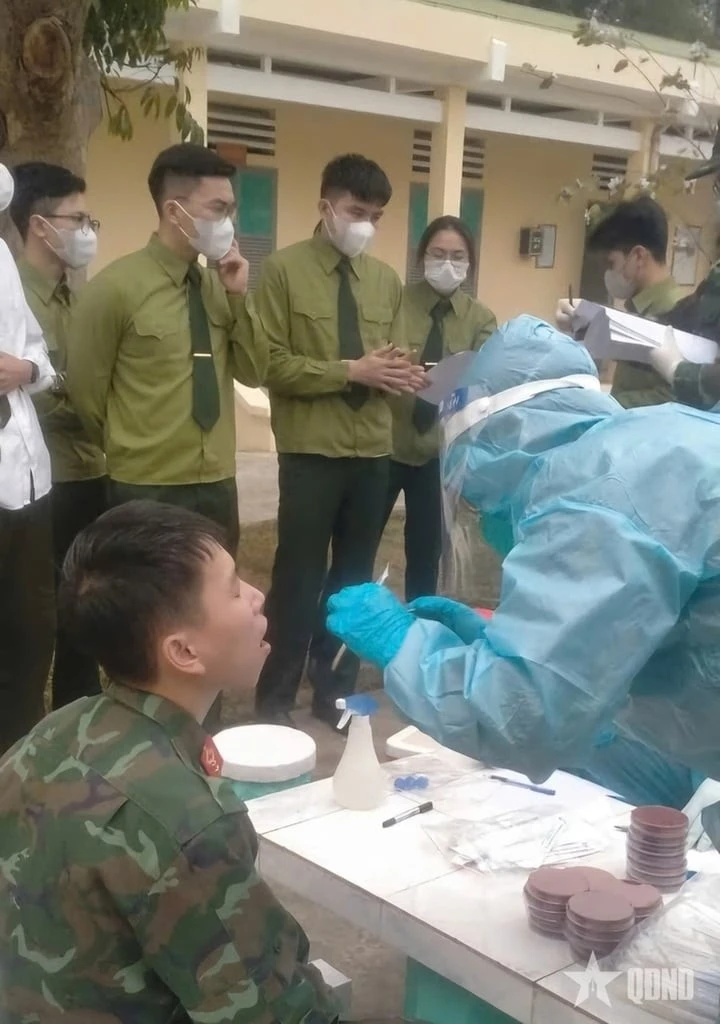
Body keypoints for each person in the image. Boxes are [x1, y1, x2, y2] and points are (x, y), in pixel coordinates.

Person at [325, 316, 720, 848]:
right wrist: (490, 647)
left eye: (476, 486)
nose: (484, 510)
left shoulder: (596, 497)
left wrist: (401, 642)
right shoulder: (651, 444)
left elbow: (522, 714)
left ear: (507, 435)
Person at [0, 500, 341, 1021]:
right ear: (183, 652)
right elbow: (271, 1011)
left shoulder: (54, 732)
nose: (257, 597)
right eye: (233, 589)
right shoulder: (187, 823)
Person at [253, 153, 423, 728]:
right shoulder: (281, 271)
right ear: (326, 206)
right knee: (297, 579)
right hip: (311, 452)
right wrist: (350, 371)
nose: (364, 225)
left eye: (375, 215)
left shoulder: (385, 280)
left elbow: (394, 356)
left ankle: (335, 693)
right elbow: (270, 363)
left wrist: (404, 373)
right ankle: (275, 699)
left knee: (353, 582)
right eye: (355, 211)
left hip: (372, 452)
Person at [66, 143, 268, 556]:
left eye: (231, 210)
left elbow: (254, 371)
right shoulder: (114, 289)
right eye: (219, 208)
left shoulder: (218, 286)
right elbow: (87, 393)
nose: (229, 222)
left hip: (216, 481)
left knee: (213, 604)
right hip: (145, 483)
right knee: (146, 608)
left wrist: (238, 298)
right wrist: (132, 444)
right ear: (175, 211)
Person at [11, 161, 105, 709]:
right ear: (40, 224)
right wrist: (74, 385)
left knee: (84, 599)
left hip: (92, 465)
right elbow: (46, 386)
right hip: (43, 477)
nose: (86, 230)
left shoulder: (76, 296)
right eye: (77, 218)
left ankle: (77, 709)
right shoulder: (12, 296)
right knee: (38, 611)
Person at [384, 215, 496, 601]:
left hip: (439, 452)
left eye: (458, 256)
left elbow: (485, 380)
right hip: (385, 444)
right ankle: (345, 640)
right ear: (421, 256)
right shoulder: (393, 303)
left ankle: (420, 633)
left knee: (426, 554)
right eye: (438, 253)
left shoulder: (480, 320)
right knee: (358, 546)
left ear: (470, 263)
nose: (448, 263)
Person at [0, 162, 57, 755]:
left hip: (28, 480)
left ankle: (22, 766)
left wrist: (27, 369)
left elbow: (39, 354)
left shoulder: (2, 263)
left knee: (30, 634)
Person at [556, 196, 682, 409]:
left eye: (612, 263)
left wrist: (605, 405)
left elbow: (681, 396)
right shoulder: (641, 312)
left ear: (638, 256)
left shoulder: (677, 313)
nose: (608, 274)